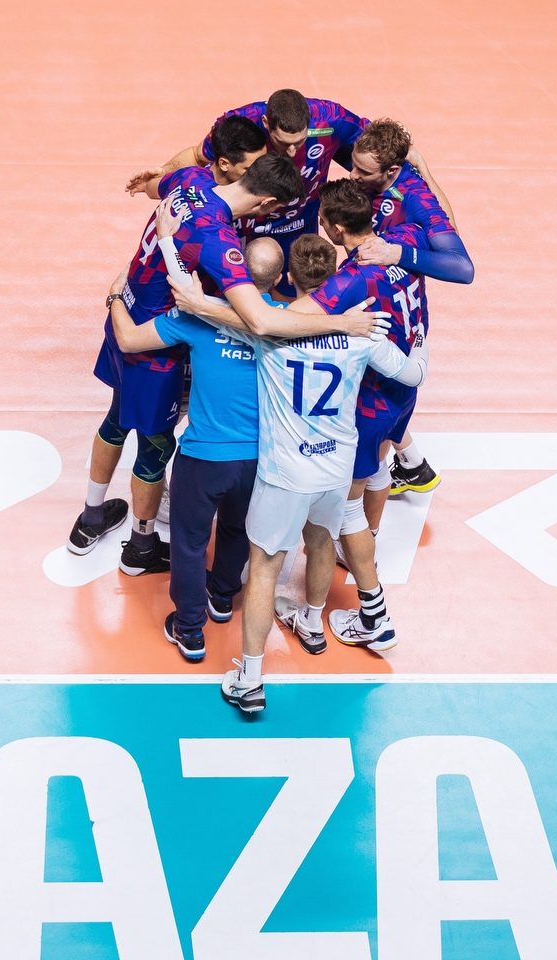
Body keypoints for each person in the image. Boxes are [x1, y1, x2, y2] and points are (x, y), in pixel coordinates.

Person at [70, 153, 378, 576]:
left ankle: (90, 516)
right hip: (157, 356)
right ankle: (141, 546)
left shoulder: (191, 180)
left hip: (132, 314)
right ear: (267, 204)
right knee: (156, 447)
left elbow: (154, 186)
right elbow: (261, 321)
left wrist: (122, 289)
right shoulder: (220, 243)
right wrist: (343, 322)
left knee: (115, 420)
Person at [171, 235, 424, 713]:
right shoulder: (362, 331)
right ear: (336, 280)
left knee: (264, 567)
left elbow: (230, 316)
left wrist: (189, 284)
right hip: (336, 468)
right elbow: (412, 375)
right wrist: (422, 346)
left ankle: (249, 679)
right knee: (322, 541)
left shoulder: (273, 330)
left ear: (291, 278)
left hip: (286, 474)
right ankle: (311, 621)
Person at [102, 233, 290, 662]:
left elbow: (128, 340)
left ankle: (189, 630)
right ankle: (221, 597)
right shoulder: (291, 322)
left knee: (188, 543)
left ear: (234, 273)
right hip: (262, 459)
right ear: (280, 279)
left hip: (204, 457)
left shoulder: (200, 316)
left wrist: (114, 296)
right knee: (237, 529)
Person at [295, 179, 432, 650]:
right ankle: (364, 543)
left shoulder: (352, 279)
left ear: (336, 227)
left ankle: (375, 617)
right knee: (378, 470)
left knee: (347, 507)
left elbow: (283, 320)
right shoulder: (402, 246)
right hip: (402, 396)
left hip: (368, 404)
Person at [128, 89, 367, 296]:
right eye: (283, 143)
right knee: (237, 293)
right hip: (246, 224)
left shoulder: (332, 118)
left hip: (298, 224)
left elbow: (375, 146)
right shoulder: (242, 122)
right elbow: (198, 156)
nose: (292, 152)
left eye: (300, 141)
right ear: (266, 123)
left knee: (297, 294)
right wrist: (165, 172)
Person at [347, 118, 476, 497]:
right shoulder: (372, 169)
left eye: (362, 172)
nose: (352, 175)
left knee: (378, 405)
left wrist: (397, 253)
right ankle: (412, 465)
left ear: (391, 170)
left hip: (396, 317)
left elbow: (462, 267)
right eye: (353, 165)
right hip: (381, 296)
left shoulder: (414, 195)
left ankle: (367, 500)